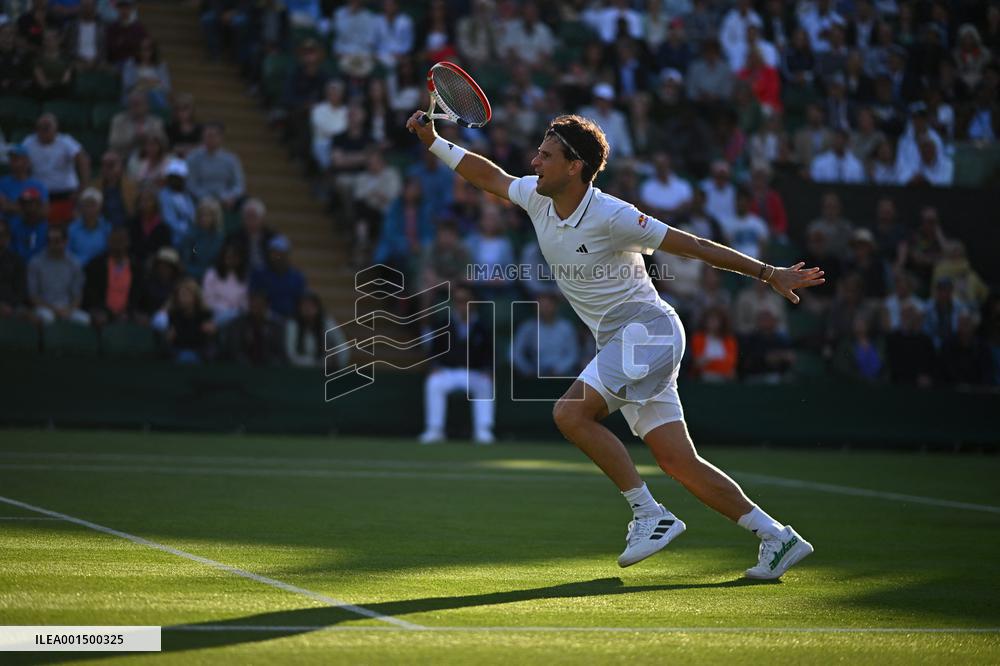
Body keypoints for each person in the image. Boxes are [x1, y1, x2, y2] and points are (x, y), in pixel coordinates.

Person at [407, 108, 824, 578]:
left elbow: (694, 246)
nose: (535, 162)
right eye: (538, 153)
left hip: (648, 331)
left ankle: (649, 513)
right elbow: (489, 176)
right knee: (677, 460)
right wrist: (434, 141)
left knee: (569, 414)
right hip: (625, 342)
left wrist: (768, 273)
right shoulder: (537, 196)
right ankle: (778, 537)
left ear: (575, 166)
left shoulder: (613, 214)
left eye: (546, 156)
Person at [418, 283, 495, 445]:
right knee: (434, 383)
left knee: (485, 383)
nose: (462, 305)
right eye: (458, 301)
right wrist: (434, 367)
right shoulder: (443, 324)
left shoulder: (483, 327)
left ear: (473, 302)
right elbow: (434, 350)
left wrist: (488, 369)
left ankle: (483, 430)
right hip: (448, 372)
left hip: (474, 373)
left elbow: (490, 353)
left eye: (466, 300)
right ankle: (435, 430)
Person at [82, 226, 144, 326]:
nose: (118, 245)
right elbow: (91, 293)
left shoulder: (136, 267)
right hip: (102, 310)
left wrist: (127, 311)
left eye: (121, 241)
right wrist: (107, 311)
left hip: (127, 312)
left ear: (128, 242)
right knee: (99, 319)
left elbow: (138, 294)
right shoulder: (96, 265)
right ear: (109, 242)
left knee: (141, 320)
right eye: (115, 241)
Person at [28, 225, 89, 325]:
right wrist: (54, 310)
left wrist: (69, 310)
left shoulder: (74, 263)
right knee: (47, 317)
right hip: (44, 308)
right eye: (50, 241)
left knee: (84, 319)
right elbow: (33, 296)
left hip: (67, 308)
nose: (52, 244)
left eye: (56, 241)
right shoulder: (36, 263)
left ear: (65, 241)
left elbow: (77, 295)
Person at [512, 292, 580, 378]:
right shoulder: (527, 327)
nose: (545, 309)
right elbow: (515, 353)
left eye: (548, 305)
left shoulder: (566, 327)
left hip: (563, 374)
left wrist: (558, 370)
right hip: (535, 375)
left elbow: (573, 354)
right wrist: (528, 370)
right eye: (541, 305)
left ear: (556, 306)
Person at [185, 123, 246, 211]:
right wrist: (204, 197)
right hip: (199, 198)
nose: (210, 139)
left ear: (221, 138)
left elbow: (239, 184)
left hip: (226, 198)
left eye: (213, 136)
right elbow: (190, 184)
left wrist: (230, 196)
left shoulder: (231, 159)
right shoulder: (193, 158)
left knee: (249, 204)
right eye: (207, 136)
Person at [249, 235, 306, 318]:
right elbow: (254, 297)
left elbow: (301, 300)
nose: (277, 257)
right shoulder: (259, 274)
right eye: (274, 253)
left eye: (281, 253)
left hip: (290, 318)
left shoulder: (297, 276)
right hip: (265, 318)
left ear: (287, 255)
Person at [285, 291, 346, 368]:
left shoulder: (327, 322)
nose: (307, 309)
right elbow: (291, 355)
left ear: (318, 307)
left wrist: (338, 360)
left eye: (311, 305)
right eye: (304, 305)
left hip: (325, 368)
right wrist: (315, 363)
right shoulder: (292, 324)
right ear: (298, 308)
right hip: (299, 369)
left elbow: (342, 345)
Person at [228, 290, 285, 366]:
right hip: (243, 368)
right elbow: (235, 350)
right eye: (253, 303)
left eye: (260, 304)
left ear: (266, 306)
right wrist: (248, 366)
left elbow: (279, 351)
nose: (256, 307)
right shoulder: (238, 324)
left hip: (268, 367)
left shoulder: (274, 326)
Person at [202, 242, 248, 326]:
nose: (232, 260)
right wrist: (228, 311)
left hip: (238, 317)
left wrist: (236, 312)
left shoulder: (244, 277)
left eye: (235, 257)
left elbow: (244, 302)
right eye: (229, 257)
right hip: (216, 315)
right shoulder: (211, 274)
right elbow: (208, 301)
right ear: (223, 257)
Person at [67, 187, 111, 266]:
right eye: (87, 205)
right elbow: (68, 254)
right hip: (78, 269)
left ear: (100, 207)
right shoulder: (72, 229)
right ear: (81, 207)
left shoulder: (107, 228)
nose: (90, 209)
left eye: (93, 205)